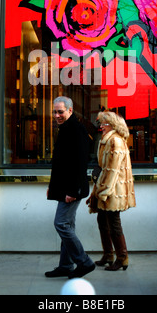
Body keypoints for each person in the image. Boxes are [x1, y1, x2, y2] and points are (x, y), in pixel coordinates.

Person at [45, 96, 95, 279]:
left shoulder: (76, 130)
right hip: (64, 188)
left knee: (61, 224)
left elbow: (80, 164)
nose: (57, 115)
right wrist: (53, 187)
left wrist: (73, 192)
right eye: (55, 111)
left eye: (60, 111)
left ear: (70, 110)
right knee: (68, 225)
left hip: (72, 189)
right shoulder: (66, 128)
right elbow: (60, 163)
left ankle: (84, 261)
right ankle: (66, 265)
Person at [87, 111, 136, 271]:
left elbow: (111, 170)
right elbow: (105, 169)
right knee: (102, 220)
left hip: (113, 190)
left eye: (103, 123)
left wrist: (102, 191)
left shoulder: (114, 141)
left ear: (112, 125)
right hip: (107, 187)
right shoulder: (108, 140)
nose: (101, 126)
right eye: (100, 123)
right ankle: (108, 254)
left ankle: (122, 257)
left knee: (114, 223)